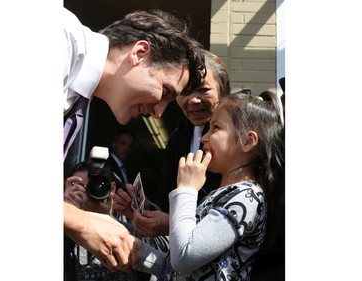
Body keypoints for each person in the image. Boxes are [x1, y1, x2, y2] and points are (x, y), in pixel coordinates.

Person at [62, 6, 207, 271]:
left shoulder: (77, 98)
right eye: (165, 91)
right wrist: (79, 221)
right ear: (139, 53)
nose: (158, 112)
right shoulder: (60, 40)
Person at [130, 90, 285, 281]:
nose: (204, 137)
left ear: (247, 141)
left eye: (215, 128)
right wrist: (139, 253)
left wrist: (186, 189)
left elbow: (184, 257)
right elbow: (184, 271)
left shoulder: (247, 198)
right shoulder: (225, 194)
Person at [113, 50, 231, 239]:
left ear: (222, 90)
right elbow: (166, 195)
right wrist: (146, 211)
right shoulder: (178, 137)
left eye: (203, 89)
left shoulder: (235, 138)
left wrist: (169, 223)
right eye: (185, 91)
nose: (193, 100)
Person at [64, 161, 135, 281]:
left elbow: (164, 256)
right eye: (80, 187)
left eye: (96, 186)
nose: (88, 194)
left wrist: (138, 217)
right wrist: (66, 212)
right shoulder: (66, 232)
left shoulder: (129, 224)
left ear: (111, 189)